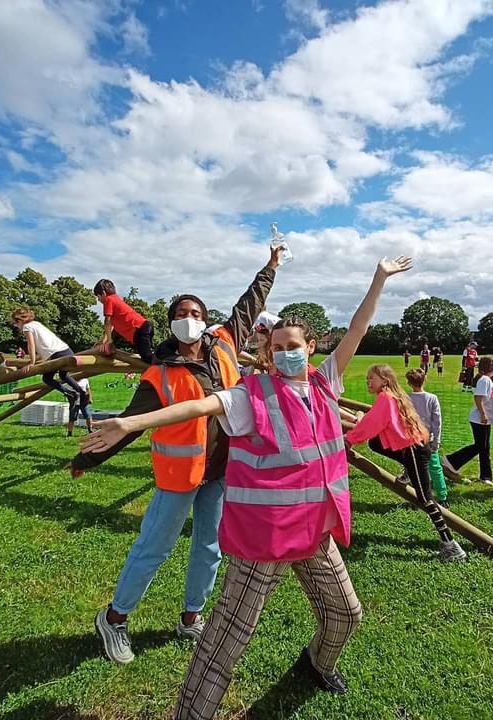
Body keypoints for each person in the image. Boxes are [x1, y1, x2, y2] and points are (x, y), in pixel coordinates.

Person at [82, 257, 413, 718]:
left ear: (311, 347)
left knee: (346, 615)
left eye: (292, 345)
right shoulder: (249, 393)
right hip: (266, 538)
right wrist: (130, 422)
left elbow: (358, 327)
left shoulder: (323, 384)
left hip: (315, 532)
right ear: (267, 351)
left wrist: (378, 279)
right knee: (227, 641)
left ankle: (317, 663)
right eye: (276, 347)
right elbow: (195, 408)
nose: (284, 353)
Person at [71, 248, 280, 664]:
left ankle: (191, 617)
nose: (191, 318)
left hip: (220, 471)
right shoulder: (159, 372)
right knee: (154, 548)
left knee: (209, 547)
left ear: (205, 320)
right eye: (182, 312)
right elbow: (131, 422)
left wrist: (271, 267)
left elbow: (248, 304)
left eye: (197, 312)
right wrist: (89, 459)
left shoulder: (223, 344)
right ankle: (114, 618)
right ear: (171, 322)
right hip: (179, 474)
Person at [347, 364, 465, 560]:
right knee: (375, 442)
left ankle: (450, 544)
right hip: (413, 450)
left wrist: (349, 439)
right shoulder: (391, 396)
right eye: (367, 378)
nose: (368, 381)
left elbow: (371, 424)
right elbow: (375, 425)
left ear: (384, 380)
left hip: (413, 451)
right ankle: (409, 471)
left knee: (425, 499)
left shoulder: (385, 398)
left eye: (371, 378)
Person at [10, 307, 92, 427]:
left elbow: (31, 345)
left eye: (15, 323)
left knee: (47, 379)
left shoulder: (27, 327)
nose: (16, 326)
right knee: (63, 375)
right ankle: (80, 392)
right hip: (66, 350)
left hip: (56, 354)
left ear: (19, 321)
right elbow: (45, 344)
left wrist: (31, 362)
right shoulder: (36, 324)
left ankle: (71, 394)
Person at [444, 356, 493, 485]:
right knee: (480, 446)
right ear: (491, 368)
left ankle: (486, 476)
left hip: (484, 420)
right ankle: (450, 461)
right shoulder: (484, 380)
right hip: (479, 419)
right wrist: (483, 414)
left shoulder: (487, 380)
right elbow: (478, 397)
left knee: (485, 447)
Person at [406, 368, 448, 503]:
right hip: (427, 440)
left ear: (409, 383)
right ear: (425, 380)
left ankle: (416, 495)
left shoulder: (406, 399)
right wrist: (436, 440)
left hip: (411, 439)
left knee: (413, 468)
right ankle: (442, 497)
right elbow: (437, 422)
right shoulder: (432, 398)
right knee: (435, 468)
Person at [92, 279, 154, 364]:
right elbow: (111, 325)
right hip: (143, 327)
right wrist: (104, 340)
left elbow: (107, 321)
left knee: (147, 357)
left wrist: (109, 341)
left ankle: (167, 365)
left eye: (98, 296)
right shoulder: (116, 299)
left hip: (139, 329)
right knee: (147, 355)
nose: (98, 300)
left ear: (103, 293)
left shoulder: (108, 300)